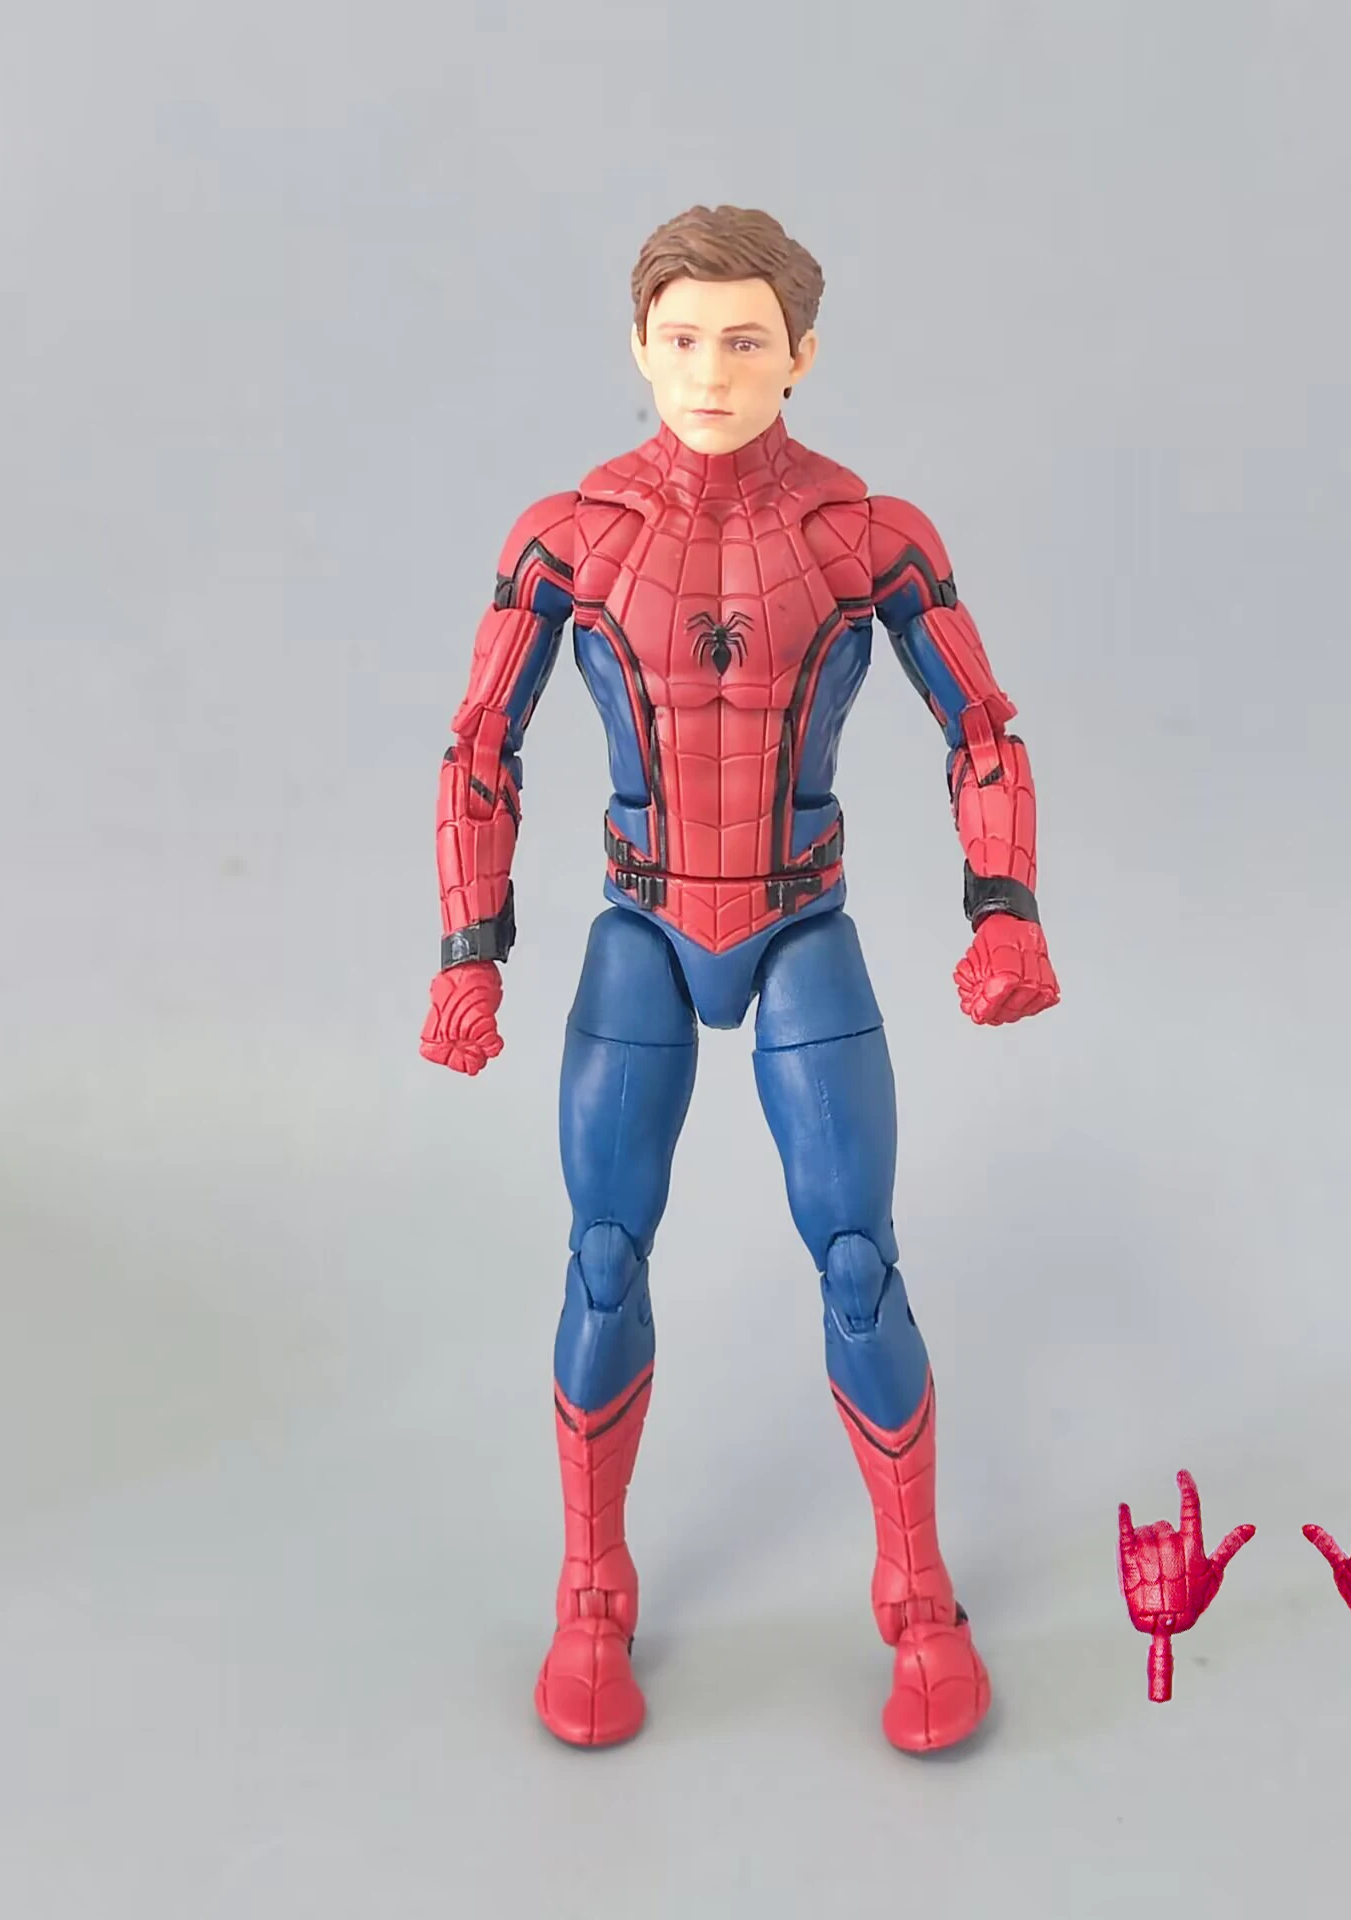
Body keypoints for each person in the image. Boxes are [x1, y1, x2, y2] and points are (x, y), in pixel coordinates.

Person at [420, 205, 1060, 1752]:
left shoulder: (866, 533)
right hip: (640, 922)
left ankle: (918, 1595)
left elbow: (981, 728)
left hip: (798, 919)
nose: (711, 369)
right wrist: (468, 954)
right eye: (685, 338)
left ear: (802, 355)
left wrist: (1007, 912)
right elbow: (481, 747)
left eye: (746, 339)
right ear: (639, 347)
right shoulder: (570, 534)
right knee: (601, 1257)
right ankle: (591, 1591)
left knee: (858, 1260)